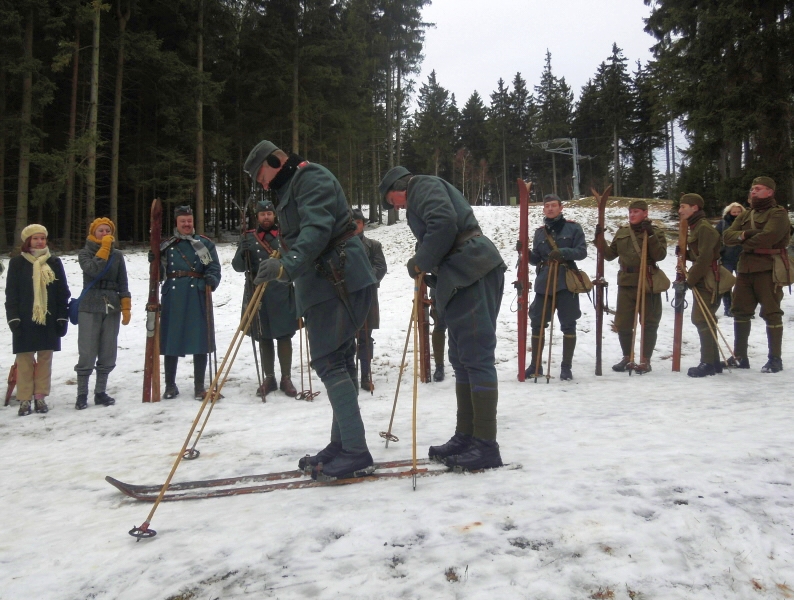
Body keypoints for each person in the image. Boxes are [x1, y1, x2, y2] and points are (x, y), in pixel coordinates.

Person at [244, 140, 377, 480]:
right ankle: (343, 444)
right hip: (330, 281)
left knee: (329, 362)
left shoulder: (310, 178)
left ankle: (355, 451)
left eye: (261, 175)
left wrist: (286, 265)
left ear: (274, 161)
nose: (262, 185)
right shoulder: (295, 185)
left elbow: (317, 230)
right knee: (340, 360)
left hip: (337, 280)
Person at [379, 166, 506, 471]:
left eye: (393, 201)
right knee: (461, 358)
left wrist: (421, 261)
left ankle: (485, 444)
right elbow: (438, 230)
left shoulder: (421, 185)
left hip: (472, 268)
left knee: (476, 356)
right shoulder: (420, 192)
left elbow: (443, 223)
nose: (397, 207)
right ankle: (467, 436)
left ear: (399, 187)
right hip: (460, 273)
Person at [723, 176, 791, 373]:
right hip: (745, 268)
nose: (753, 191)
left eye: (758, 188)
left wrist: (742, 240)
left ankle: (775, 359)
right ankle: (740, 356)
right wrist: (745, 235)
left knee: (771, 312)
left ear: (769, 192)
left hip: (768, 268)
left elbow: (768, 237)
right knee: (740, 311)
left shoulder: (778, 214)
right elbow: (727, 236)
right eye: (752, 188)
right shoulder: (746, 214)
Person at [232, 200, 298, 398]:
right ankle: (269, 378)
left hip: (281, 290)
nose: (266, 217)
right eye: (262, 214)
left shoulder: (284, 235)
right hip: (257, 292)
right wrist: (242, 252)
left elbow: (294, 261)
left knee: (284, 335)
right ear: (258, 217)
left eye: (269, 214)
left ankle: (286, 377)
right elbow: (238, 267)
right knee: (263, 335)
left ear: (274, 215)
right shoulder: (248, 238)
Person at [156, 205, 221, 399]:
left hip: (196, 293)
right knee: (171, 339)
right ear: (176, 222)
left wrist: (211, 279)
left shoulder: (202, 244)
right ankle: (170, 386)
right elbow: (158, 274)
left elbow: (212, 267)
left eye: (189, 221)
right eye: (183, 221)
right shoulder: (167, 246)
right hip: (173, 295)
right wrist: (154, 261)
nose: (186, 224)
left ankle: (199, 386)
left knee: (200, 339)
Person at [5, 225, 70, 416]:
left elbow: (62, 292)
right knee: (24, 359)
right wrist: (13, 317)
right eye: (35, 238)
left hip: (49, 318)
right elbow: (11, 293)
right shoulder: (17, 263)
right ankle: (25, 399)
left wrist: (62, 316)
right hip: (24, 318)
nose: (40, 242)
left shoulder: (54, 262)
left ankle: (40, 397)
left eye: (42, 238)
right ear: (28, 241)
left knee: (45, 358)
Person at [599, 200, 668, 373]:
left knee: (649, 323)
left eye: (636, 211)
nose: (632, 215)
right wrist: (599, 239)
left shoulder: (655, 232)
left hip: (647, 282)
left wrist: (650, 235)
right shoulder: (622, 232)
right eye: (630, 211)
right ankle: (627, 357)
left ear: (645, 213)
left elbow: (660, 255)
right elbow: (609, 255)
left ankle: (645, 360)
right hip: (626, 282)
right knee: (623, 323)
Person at [526, 193, 587, 381]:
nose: (550, 208)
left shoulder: (573, 228)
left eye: (553, 205)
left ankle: (566, 367)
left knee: (568, 324)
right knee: (537, 322)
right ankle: (535, 365)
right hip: (544, 283)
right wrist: (525, 252)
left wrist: (563, 252)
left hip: (565, 282)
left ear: (561, 208)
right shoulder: (539, 233)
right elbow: (536, 259)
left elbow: (581, 252)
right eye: (547, 206)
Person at [74, 218, 132, 409]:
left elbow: (123, 281)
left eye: (108, 231)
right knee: (87, 351)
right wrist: (105, 248)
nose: (105, 234)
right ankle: (82, 394)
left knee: (108, 351)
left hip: (111, 305)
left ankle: (100, 392)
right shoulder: (85, 253)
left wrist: (126, 305)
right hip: (90, 304)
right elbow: (93, 270)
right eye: (101, 230)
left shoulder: (118, 255)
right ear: (93, 232)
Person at [678, 194, 727, 377]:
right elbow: (701, 253)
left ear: (695, 208)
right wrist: (686, 253)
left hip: (708, 277)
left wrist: (689, 281)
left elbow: (705, 258)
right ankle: (713, 362)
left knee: (701, 318)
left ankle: (707, 363)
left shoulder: (703, 227)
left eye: (683, 206)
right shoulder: (696, 226)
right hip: (703, 276)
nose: (680, 210)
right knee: (706, 318)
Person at [351, 208, 387, 392]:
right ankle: (349, 375)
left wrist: (364, 278)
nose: (354, 226)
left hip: (367, 296)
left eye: (357, 223)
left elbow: (380, 267)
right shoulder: (339, 247)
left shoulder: (373, 246)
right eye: (351, 223)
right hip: (346, 298)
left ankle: (365, 375)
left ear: (363, 224)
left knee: (365, 337)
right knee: (346, 338)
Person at [715, 202, 745, 316]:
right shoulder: (723, 223)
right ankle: (728, 307)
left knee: (743, 285)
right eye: (734, 212)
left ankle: (741, 307)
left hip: (743, 257)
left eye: (738, 212)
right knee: (726, 284)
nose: (736, 214)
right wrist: (720, 250)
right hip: (726, 257)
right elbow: (715, 238)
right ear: (729, 212)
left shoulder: (746, 223)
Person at [429, 287, 447, 382]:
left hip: (462, 288)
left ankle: (464, 363)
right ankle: (439, 365)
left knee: (461, 327)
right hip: (438, 288)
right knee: (439, 326)